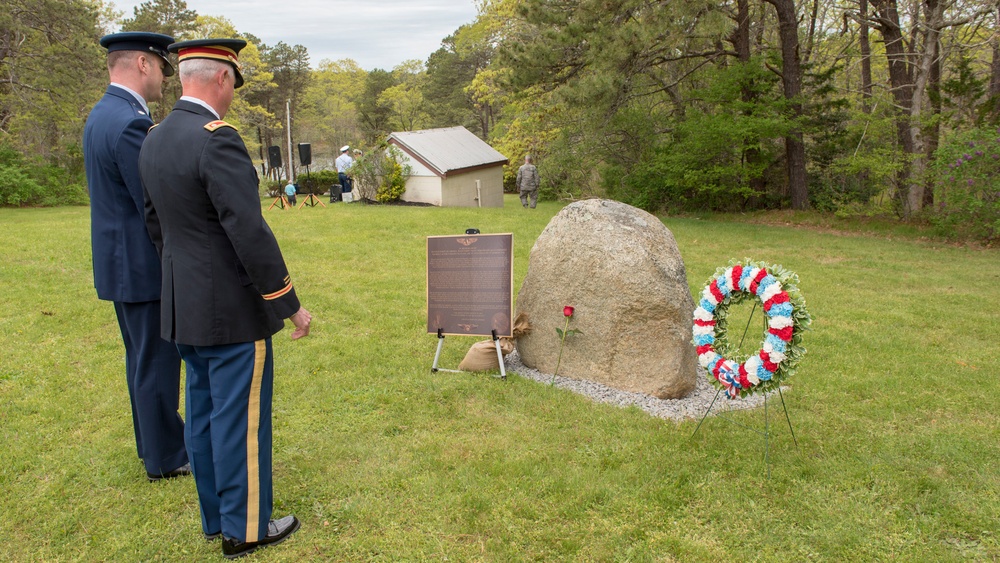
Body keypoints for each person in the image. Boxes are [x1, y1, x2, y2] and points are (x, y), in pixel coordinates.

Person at [138, 38, 311, 559]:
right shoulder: (218, 139)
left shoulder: (154, 137)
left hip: (182, 303)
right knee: (240, 420)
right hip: (232, 310)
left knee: (207, 414)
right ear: (222, 79)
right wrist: (287, 301)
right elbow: (249, 231)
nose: (233, 94)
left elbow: (155, 224)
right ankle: (247, 527)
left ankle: (217, 517)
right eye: (234, 83)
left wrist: (184, 278)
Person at [83, 31, 189, 483]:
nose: (164, 79)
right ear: (143, 64)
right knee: (157, 362)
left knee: (142, 360)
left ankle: (154, 444)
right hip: (142, 267)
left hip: (121, 263)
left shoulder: (102, 113)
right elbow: (151, 201)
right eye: (162, 69)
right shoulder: (130, 122)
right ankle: (166, 455)